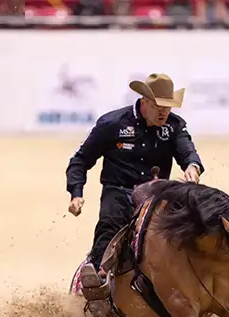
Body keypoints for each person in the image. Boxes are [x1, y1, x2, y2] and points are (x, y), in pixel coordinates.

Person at [66, 73, 205, 290]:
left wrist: (192, 167)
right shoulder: (112, 124)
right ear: (144, 101)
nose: (164, 112)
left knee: (187, 228)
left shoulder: (175, 126)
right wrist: (76, 194)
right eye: (158, 106)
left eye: (168, 107)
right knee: (110, 225)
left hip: (156, 195)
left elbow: (188, 152)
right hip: (118, 191)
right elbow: (80, 160)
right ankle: (97, 277)